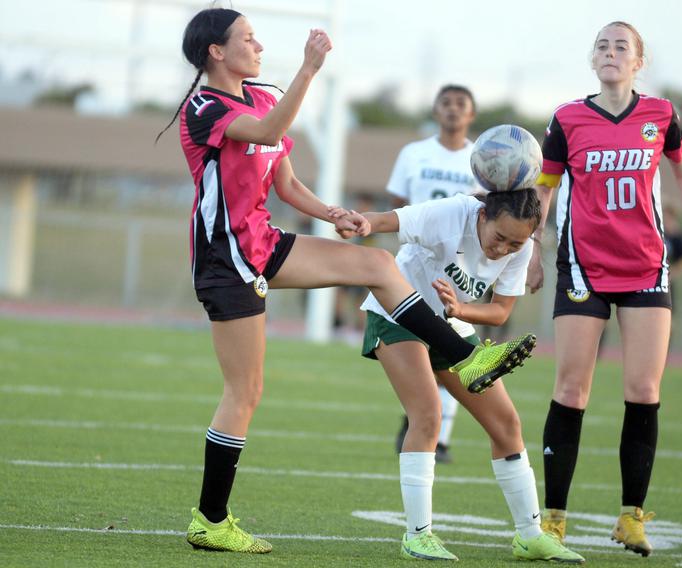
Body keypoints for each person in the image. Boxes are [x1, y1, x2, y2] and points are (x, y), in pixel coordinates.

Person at [157, 8, 536, 554]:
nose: (258, 45)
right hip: (225, 258)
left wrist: (331, 213)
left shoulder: (263, 93)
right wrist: (310, 70)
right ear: (216, 51)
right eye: (247, 38)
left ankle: (463, 354)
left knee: (378, 265)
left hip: (263, 241)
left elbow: (284, 181)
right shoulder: (204, 106)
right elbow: (268, 131)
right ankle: (210, 520)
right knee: (245, 391)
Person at [526, 22, 682, 557]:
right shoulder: (567, 118)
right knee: (571, 390)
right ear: (592, 60)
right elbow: (544, 187)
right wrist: (532, 255)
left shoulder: (660, 114)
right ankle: (554, 521)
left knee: (644, 390)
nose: (610, 53)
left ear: (640, 60)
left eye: (621, 47)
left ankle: (631, 518)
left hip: (645, 267)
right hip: (583, 267)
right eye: (602, 46)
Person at [348, 189, 583, 563]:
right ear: (483, 216)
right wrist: (364, 222)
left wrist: (461, 309)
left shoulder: (520, 247)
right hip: (397, 314)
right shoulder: (453, 214)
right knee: (428, 415)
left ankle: (529, 535)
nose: (504, 248)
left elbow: (501, 310)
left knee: (506, 423)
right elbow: (392, 220)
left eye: (516, 242)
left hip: (451, 322)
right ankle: (418, 535)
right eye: (499, 237)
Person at [388, 85, 479, 464]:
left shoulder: (482, 157)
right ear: (435, 110)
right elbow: (397, 202)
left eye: (461, 104)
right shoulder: (414, 153)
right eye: (446, 103)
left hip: (460, 268)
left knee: (453, 347)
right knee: (414, 348)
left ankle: (438, 438)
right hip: (413, 263)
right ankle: (419, 416)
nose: (453, 110)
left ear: (472, 114)